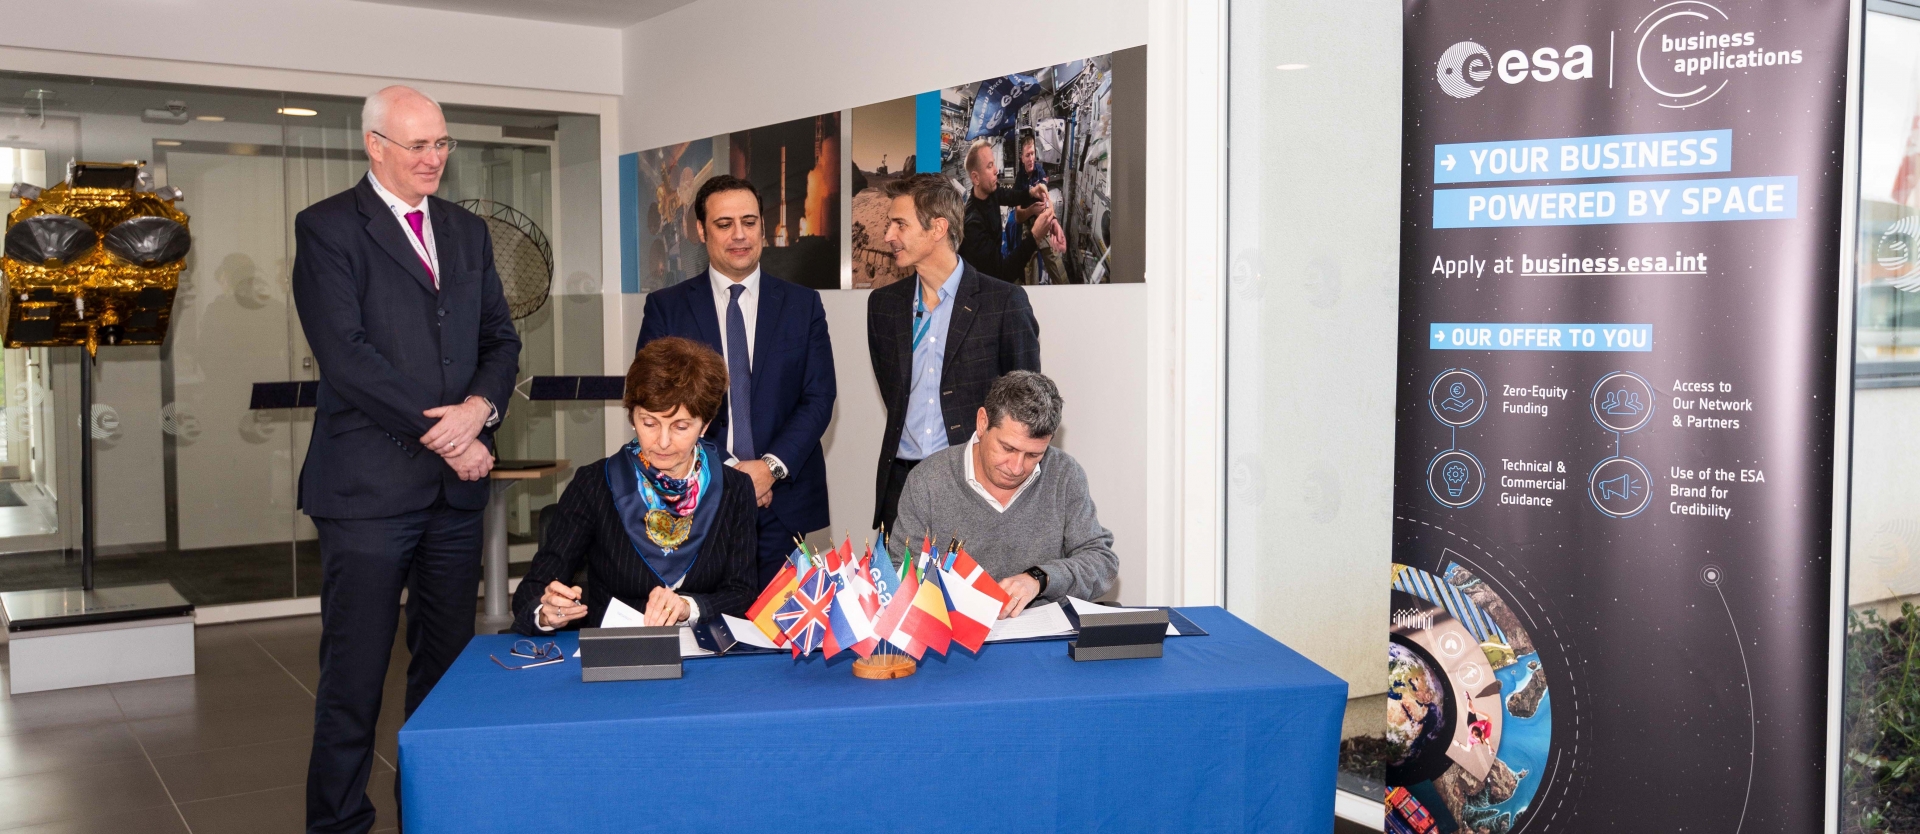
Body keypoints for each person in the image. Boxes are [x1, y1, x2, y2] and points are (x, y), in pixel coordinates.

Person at [292, 85, 521, 834]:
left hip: (450, 503)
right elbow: (348, 360)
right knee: (354, 680)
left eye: (442, 143)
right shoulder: (328, 228)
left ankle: (433, 813)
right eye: (417, 145)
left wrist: (481, 410)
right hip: (366, 490)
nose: (433, 158)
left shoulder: (465, 231)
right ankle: (338, 824)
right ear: (374, 145)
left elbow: (499, 341)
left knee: (447, 674)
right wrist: (452, 435)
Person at [635, 175, 836, 587]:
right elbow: (656, 406)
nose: (739, 235)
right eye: (724, 224)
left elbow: (818, 397)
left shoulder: (803, 304)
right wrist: (730, 474)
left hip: (785, 503)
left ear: (763, 225)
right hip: (696, 502)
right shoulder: (667, 309)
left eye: (749, 221)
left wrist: (768, 469)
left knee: (782, 637)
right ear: (701, 231)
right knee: (704, 630)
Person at [513, 337, 759, 634]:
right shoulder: (594, 484)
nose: (663, 442)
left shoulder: (735, 489)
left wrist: (687, 607)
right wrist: (545, 612)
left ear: (705, 425)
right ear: (632, 416)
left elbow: (742, 594)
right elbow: (534, 589)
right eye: (649, 423)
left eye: (681, 426)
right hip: (615, 657)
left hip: (704, 654)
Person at [867, 173, 1041, 534]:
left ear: (937, 229)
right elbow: (893, 392)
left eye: (900, 224)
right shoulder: (883, 306)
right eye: (889, 225)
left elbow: (1028, 408)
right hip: (900, 486)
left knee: (975, 592)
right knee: (902, 591)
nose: (888, 236)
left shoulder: (1004, 303)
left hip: (976, 486)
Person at [891, 370, 1117, 616]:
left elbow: (1101, 562)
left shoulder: (1064, 475)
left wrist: (1039, 579)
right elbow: (900, 572)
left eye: (1033, 455)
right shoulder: (928, 480)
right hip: (954, 633)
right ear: (982, 423)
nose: (1017, 467)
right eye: (1008, 448)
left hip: (1042, 634)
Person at [958, 138, 1054, 284]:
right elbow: (1002, 274)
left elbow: (1009, 196)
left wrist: (1031, 192)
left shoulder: (990, 193)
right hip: (983, 287)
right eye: (990, 166)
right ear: (975, 178)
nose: (996, 170)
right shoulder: (973, 224)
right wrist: (1035, 236)